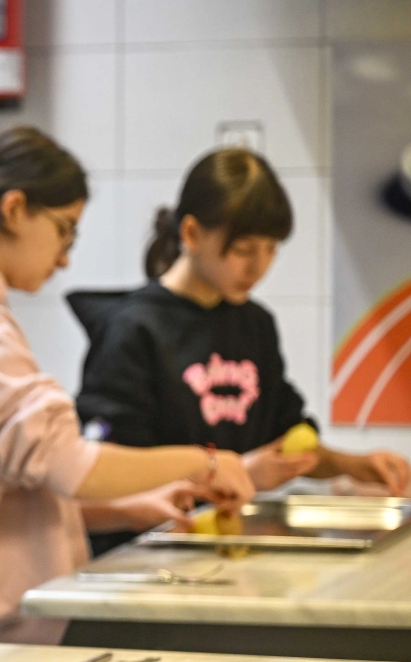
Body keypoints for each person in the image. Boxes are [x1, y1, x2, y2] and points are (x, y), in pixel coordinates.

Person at [0, 126, 257, 651]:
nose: (64, 258)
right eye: (65, 231)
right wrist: (205, 462)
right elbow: (69, 464)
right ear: (14, 209)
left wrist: (131, 507)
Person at [74, 147, 409, 552]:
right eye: (244, 250)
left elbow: (285, 437)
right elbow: (104, 472)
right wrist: (236, 472)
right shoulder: (133, 330)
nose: (259, 267)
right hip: (146, 556)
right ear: (192, 234)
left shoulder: (254, 325)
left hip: (226, 552)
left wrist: (354, 465)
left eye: (271, 250)